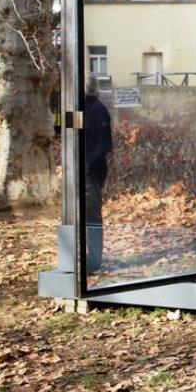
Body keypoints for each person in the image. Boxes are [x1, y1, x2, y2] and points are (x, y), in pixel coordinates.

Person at [84, 76, 112, 272]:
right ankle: (89, 258)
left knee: (91, 216)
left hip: (90, 171)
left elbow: (105, 144)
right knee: (86, 216)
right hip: (86, 170)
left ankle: (94, 260)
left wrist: (87, 164)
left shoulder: (96, 110)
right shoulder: (87, 108)